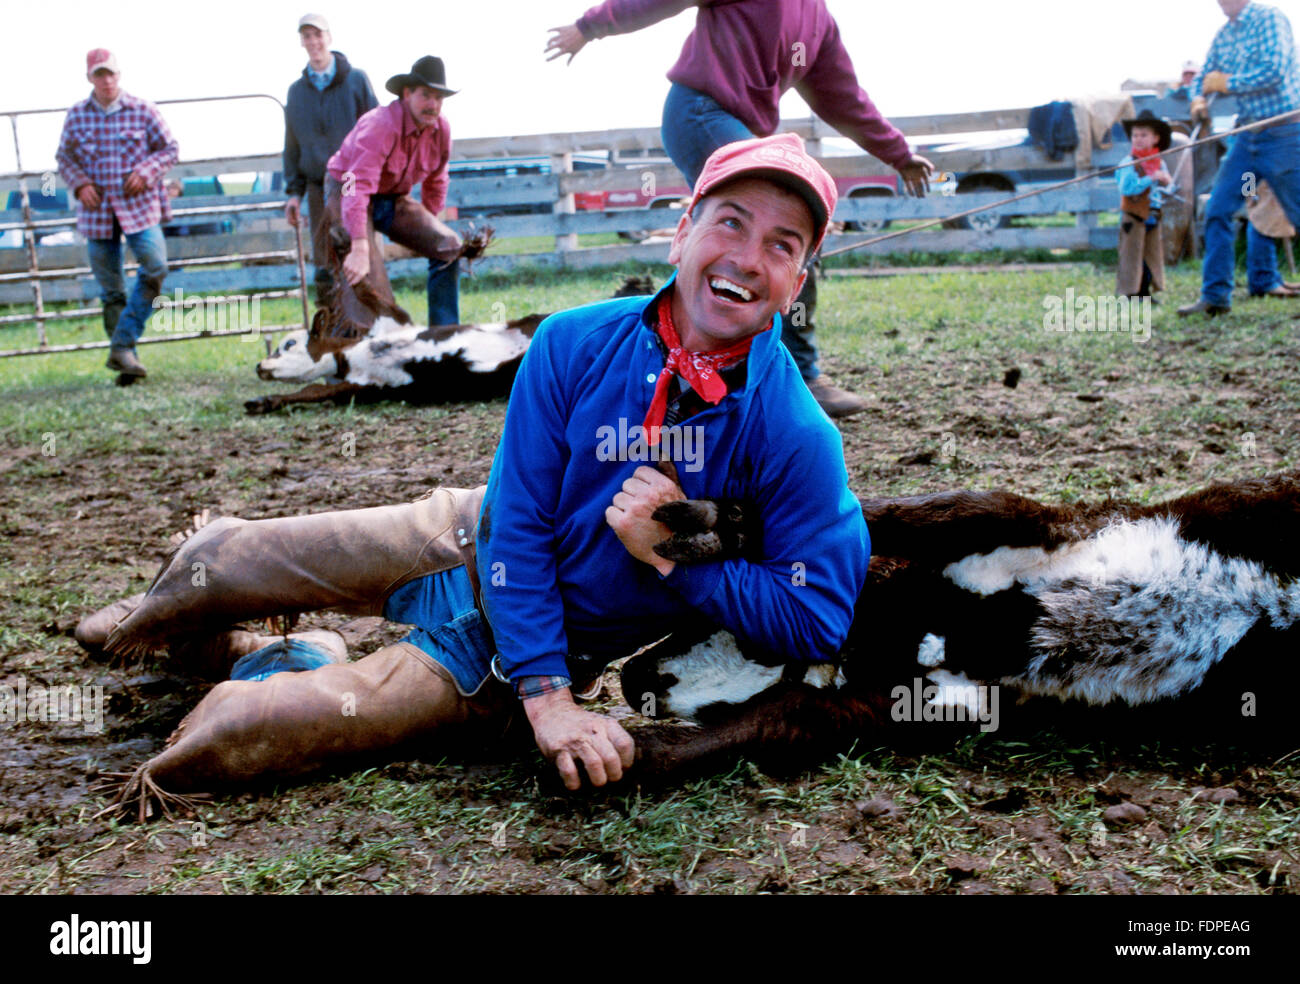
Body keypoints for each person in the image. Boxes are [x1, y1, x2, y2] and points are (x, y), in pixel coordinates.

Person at [80, 134, 870, 807]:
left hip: (497, 661)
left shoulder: (797, 434)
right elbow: (519, 518)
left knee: (236, 735)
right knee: (219, 560)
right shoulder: (569, 343)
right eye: (730, 222)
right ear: (682, 233)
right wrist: (550, 702)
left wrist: (675, 549)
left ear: (796, 283)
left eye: (781, 244)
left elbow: (818, 616)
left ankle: (291, 652)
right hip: (463, 536)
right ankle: (178, 618)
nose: (747, 257)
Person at [545, 0, 934, 419]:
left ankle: (701, 364)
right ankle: (793, 374)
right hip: (700, 111)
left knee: (760, 245)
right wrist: (590, 26)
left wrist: (898, 154)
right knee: (762, 239)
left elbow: (842, 98)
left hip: (747, 131)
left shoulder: (818, 21)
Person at [56, 49, 178, 378]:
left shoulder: (142, 110)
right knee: (111, 289)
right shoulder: (77, 115)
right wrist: (80, 184)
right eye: (99, 74)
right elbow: (64, 158)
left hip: (138, 208)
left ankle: (122, 344)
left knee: (156, 268)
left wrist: (146, 171)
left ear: (119, 74)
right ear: (90, 78)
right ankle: (127, 363)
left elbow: (170, 149)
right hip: (97, 213)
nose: (106, 80)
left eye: (110, 73)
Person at [1177, 0, 1300, 316]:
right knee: (1228, 206)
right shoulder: (1223, 35)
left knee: (1293, 209)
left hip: (1285, 136)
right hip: (1247, 143)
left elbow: (1274, 71)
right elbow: (1204, 76)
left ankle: (1264, 277)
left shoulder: (1270, 19)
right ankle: (1216, 295)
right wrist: (1198, 98)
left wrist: (1227, 83)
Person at [324, 55, 462, 326]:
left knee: (450, 246)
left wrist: (425, 227)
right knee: (366, 275)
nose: (433, 105)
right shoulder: (380, 125)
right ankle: (369, 345)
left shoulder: (441, 130)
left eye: (438, 98)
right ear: (407, 93)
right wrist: (360, 244)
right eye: (426, 96)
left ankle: (443, 336)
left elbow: (437, 179)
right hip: (347, 188)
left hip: (392, 195)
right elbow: (356, 183)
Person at [283, 13, 378, 305]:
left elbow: (375, 129)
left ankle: (369, 320)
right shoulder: (297, 92)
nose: (313, 42)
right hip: (315, 184)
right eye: (307, 36)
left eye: (317, 35)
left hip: (352, 182)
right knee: (324, 259)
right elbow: (292, 145)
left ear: (329, 37)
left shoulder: (355, 80)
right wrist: (294, 193)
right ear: (301, 41)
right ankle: (330, 327)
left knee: (360, 250)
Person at [1116, 112, 1173, 298]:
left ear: (1156, 138)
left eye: (1144, 135)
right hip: (1133, 215)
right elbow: (1127, 188)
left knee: (1151, 255)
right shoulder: (1128, 163)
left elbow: (1169, 189)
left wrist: (1166, 182)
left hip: (1153, 214)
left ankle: (1145, 292)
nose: (1138, 139)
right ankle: (1129, 293)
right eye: (1135, 135)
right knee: (1131, 256)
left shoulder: (1158, 162)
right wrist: (1150, 179)